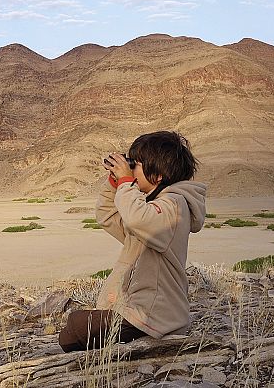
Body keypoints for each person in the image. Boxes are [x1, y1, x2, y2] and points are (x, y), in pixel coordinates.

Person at [58, 131, 207, 352]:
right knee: (75, 327)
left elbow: (137, 218)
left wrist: (126, 181)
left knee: (76, 327)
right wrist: (115, 182)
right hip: (141, 310)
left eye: (135, 165)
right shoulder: (155, 209)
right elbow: (108, 216)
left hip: (155, 316)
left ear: (157, 175)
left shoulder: (173, 205)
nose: (131, 171)